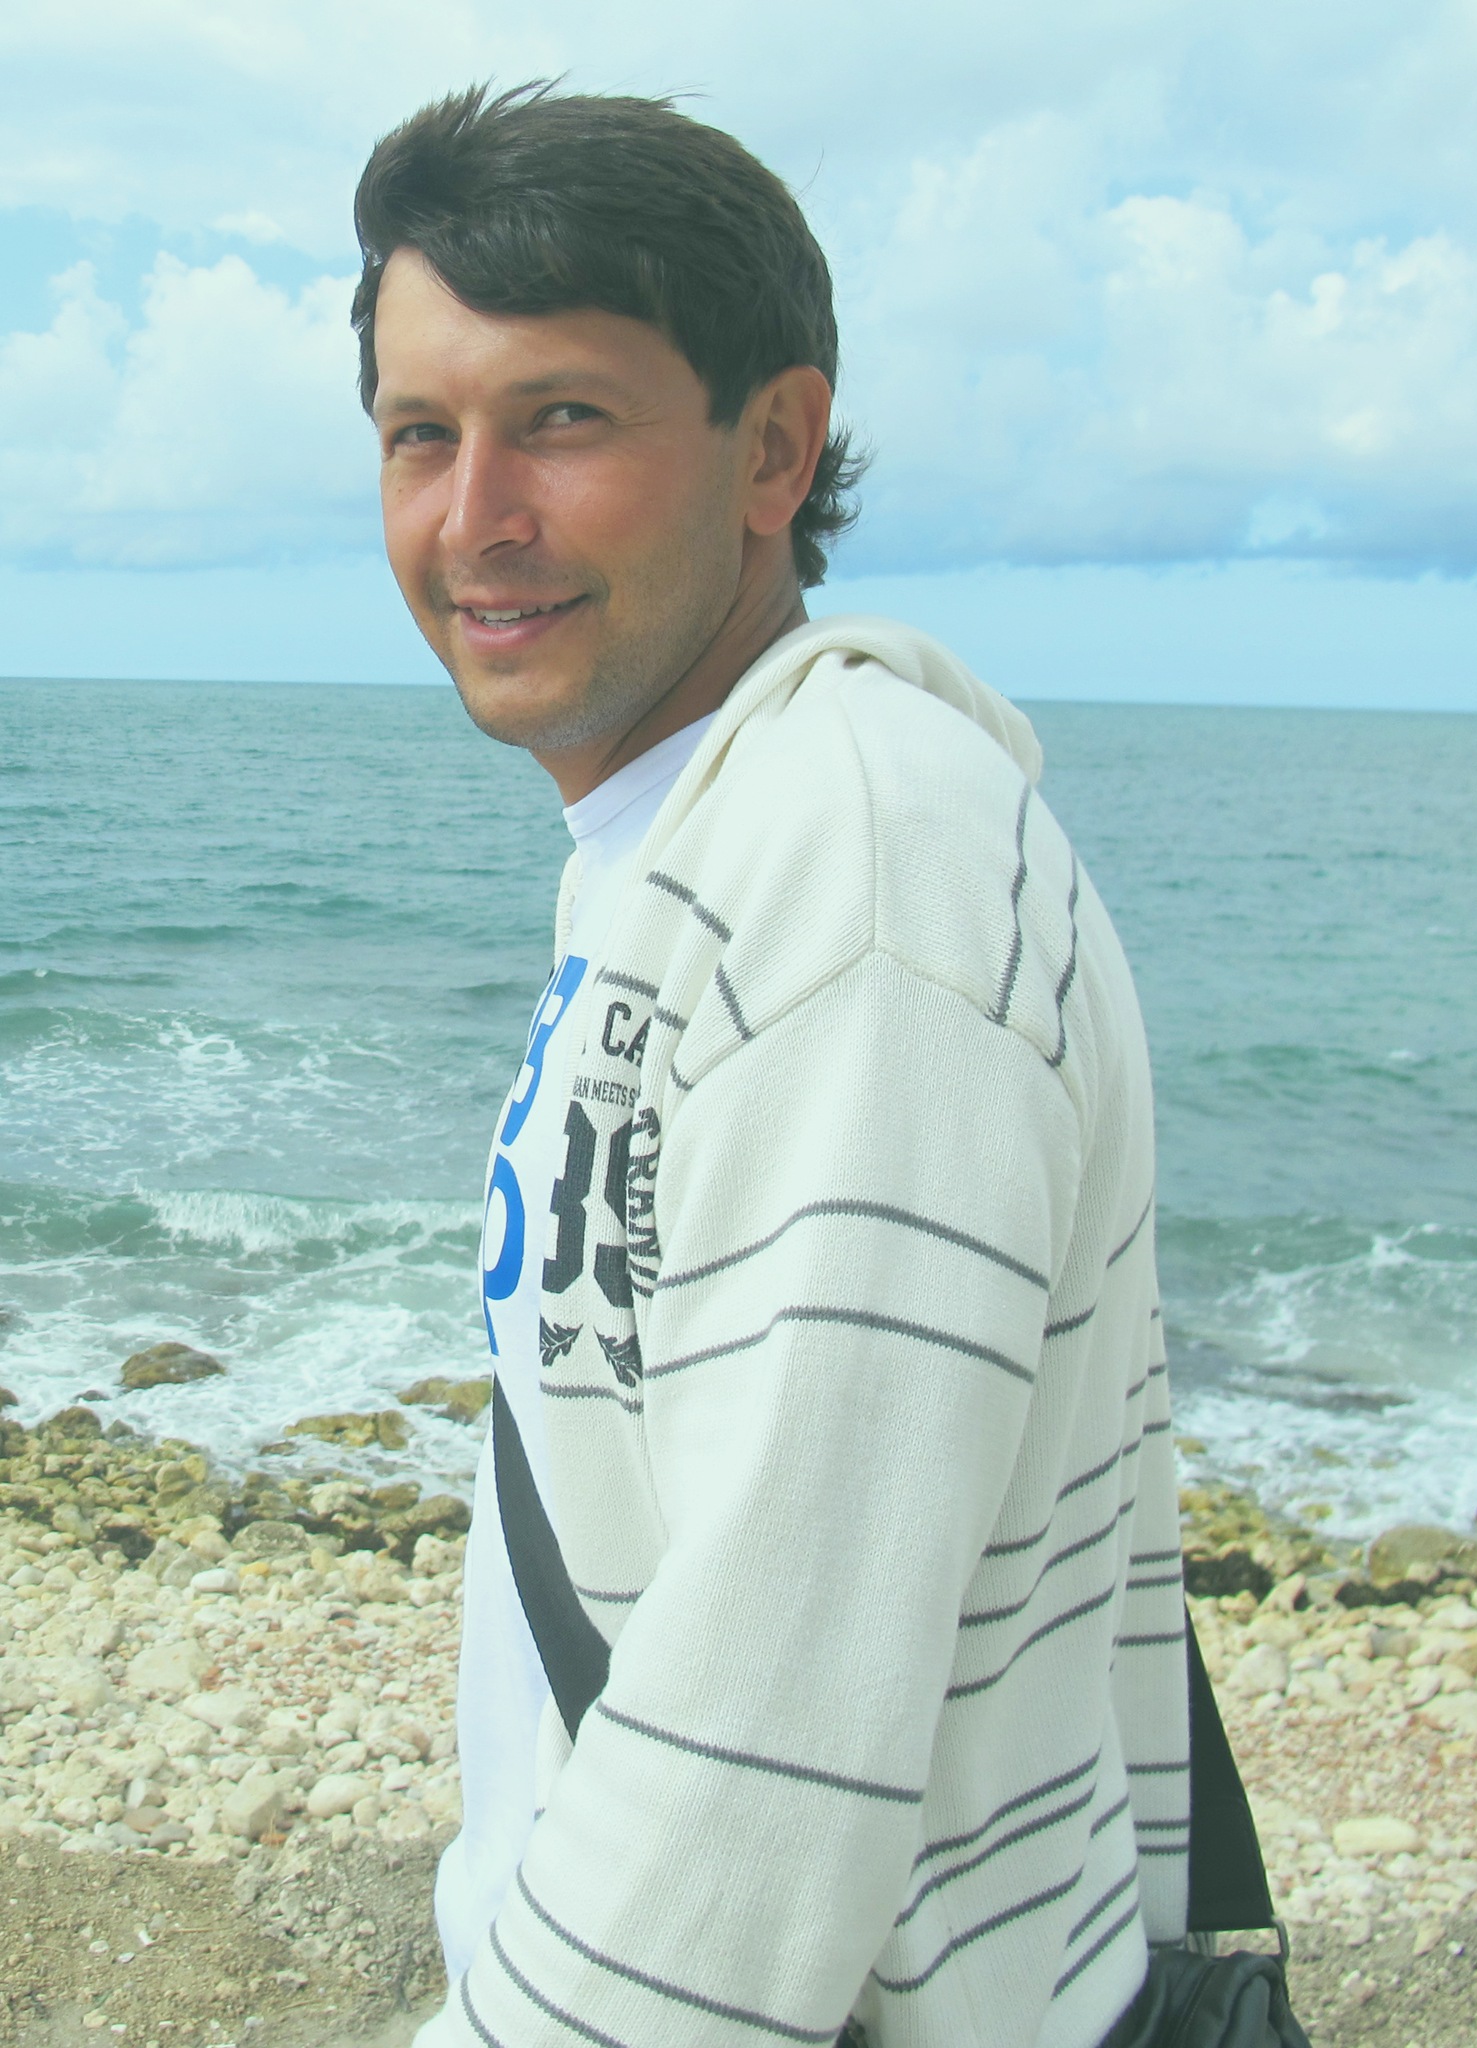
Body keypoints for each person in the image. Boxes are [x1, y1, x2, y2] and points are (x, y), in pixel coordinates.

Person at [351, 82, 1189, 2048]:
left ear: (773, 446)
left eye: (563, 417)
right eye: (419, 433)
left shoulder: (858, 875)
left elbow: (760, 1747)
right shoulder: (700, 844)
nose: (473, 516)